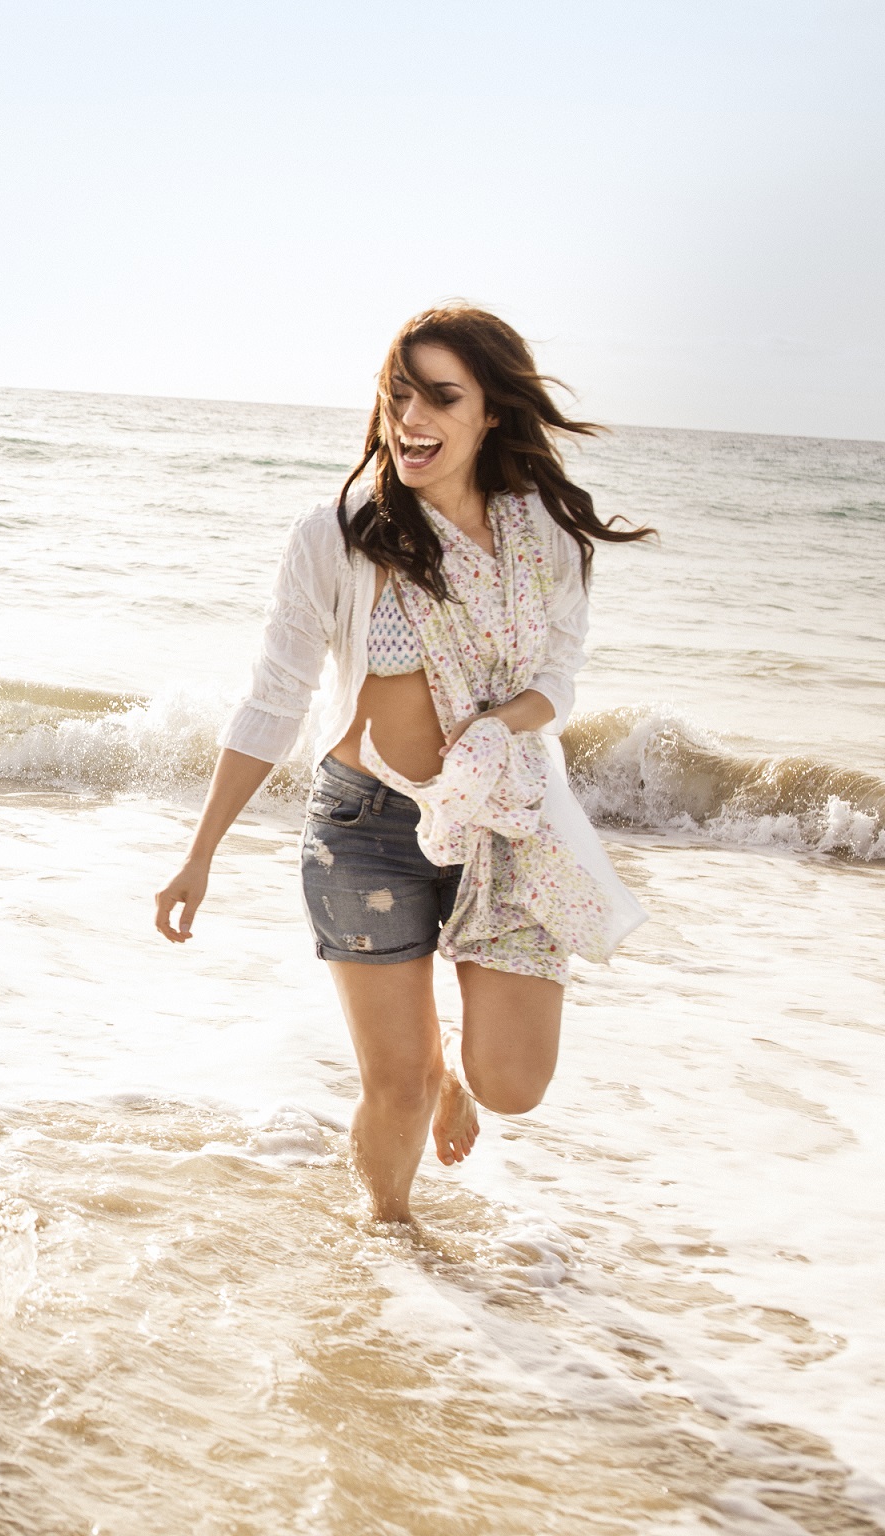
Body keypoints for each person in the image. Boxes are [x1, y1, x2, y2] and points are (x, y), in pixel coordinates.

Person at [153, 307, 650, 1224]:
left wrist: (505, 725)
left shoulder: (544, 539)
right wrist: (201, 852)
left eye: (440, 396)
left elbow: (557, 682)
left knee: (511, 1084)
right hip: (364, 831)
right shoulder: (337, 536)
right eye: (398, 394)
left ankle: (449, 1061)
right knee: (396, 1088)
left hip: (503, 822)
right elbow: (274, 699)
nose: (411, 416)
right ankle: (389, 1241)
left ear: (490, 412)